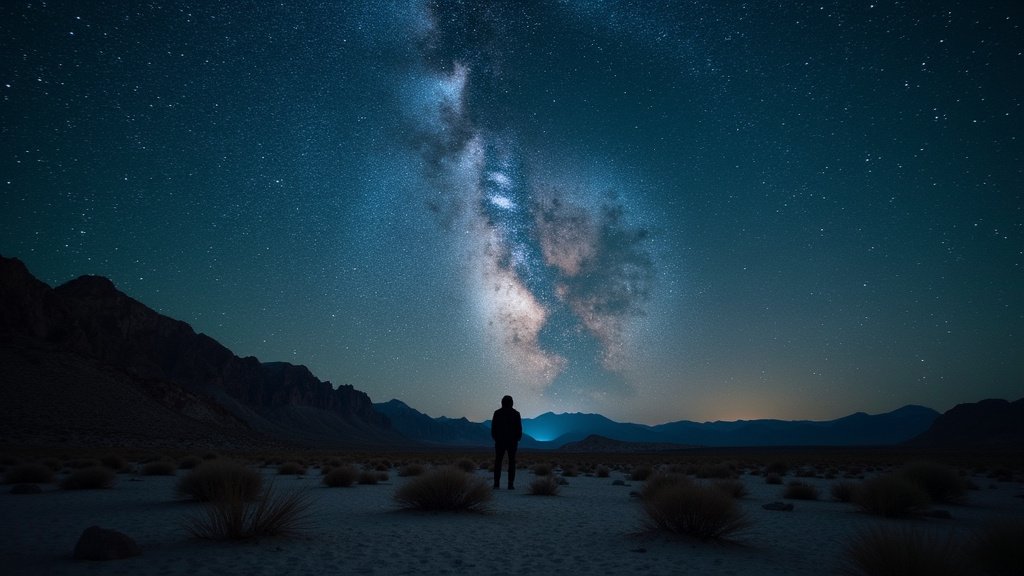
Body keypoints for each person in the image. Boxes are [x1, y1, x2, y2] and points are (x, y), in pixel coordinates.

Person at [491, 395, 522, 489]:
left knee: (498, 462)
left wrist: (496, 438)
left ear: (502, 402)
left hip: (500, 441)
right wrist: (517, 439)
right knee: (512, 462)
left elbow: (493, 428)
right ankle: (510, 484)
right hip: (512, 442)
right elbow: (519, 428)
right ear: (512, 402)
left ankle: (496, 484)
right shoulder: (516, 414)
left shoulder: (497, 413)